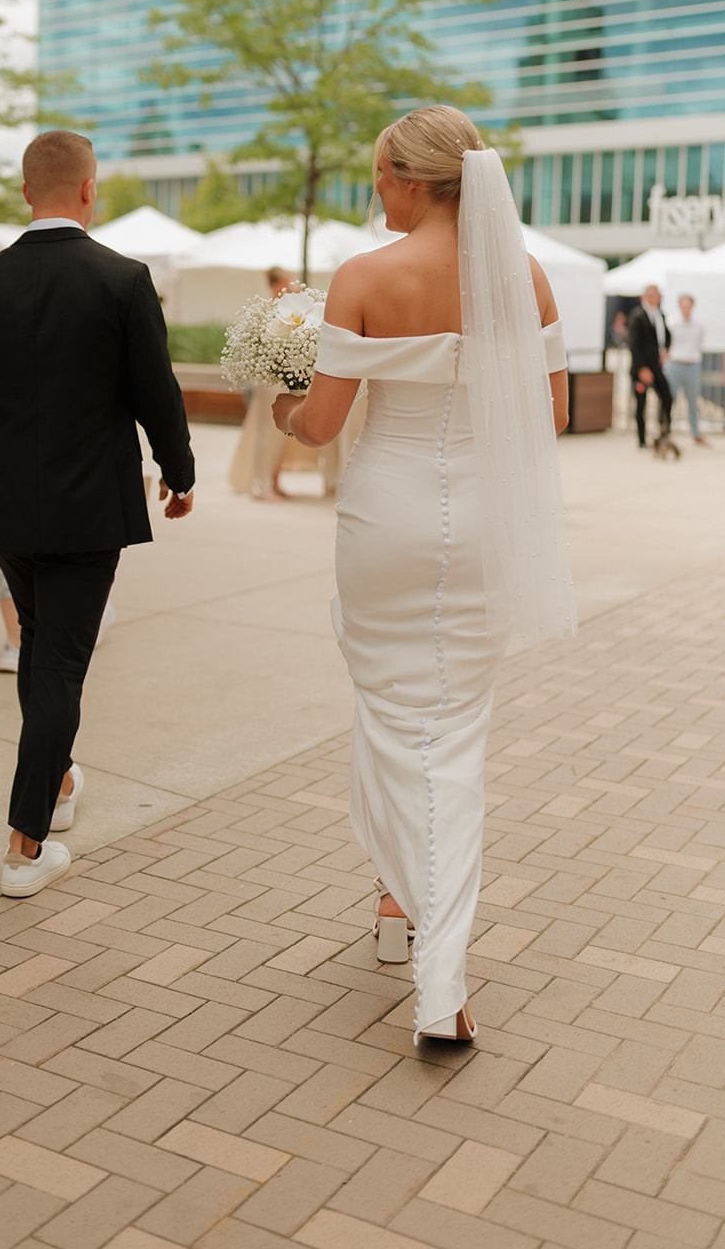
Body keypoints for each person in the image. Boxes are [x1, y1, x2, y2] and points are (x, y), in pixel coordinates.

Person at [273, 105, 574, 1046]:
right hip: (482, 522)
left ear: (409, 176)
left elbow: (319, 425)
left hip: (386, 519)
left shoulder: (362, 276)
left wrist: (283, 407)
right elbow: (550, 417)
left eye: (377, 176)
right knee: (445, 727)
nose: (374, 191)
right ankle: (398, 903)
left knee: (393, 712)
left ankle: (439, 984)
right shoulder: (523, 278)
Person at [0, 129, 195, 898]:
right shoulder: (122, 279)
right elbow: (158, 391)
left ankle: (56, 782)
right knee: (57, 664)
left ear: (26, 191)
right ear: (89, 190)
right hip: (88, 508)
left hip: (5, 509)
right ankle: (24, 844)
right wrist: (178, 475)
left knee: (45, 647)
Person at [229, 266, 294, 500]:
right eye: (287, 282)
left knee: (283, 434)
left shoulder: (290, 311)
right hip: (268, 380)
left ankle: (274, 481)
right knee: (267, 431)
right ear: (277, 284)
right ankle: (261, 484)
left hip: (286, 378)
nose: (291, 286)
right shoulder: (262, 311)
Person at [628, 285, 672, 449]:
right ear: (644, 297)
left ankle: (664, 431)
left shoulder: (660, 315)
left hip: (656, 366)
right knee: (641, 404)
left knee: (667, 397)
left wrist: (666, 350)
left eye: (656, 295)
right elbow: (633, 345)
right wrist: (641, 368)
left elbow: (667, 336)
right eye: (651, 295)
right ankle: (642, 440)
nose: (654, 298)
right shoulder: (637, 316)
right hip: (642, 368)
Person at [666, 294, 708, 446]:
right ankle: (666, 430)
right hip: (676, 363)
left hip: (692, 365)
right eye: (683, 305)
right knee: (670, 399)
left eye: (688, 305)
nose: (686, 309)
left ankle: (696, 432)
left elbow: (699, 343)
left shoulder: (698, 325)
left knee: (693, 400)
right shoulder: (672, 323)